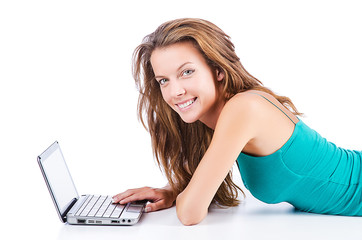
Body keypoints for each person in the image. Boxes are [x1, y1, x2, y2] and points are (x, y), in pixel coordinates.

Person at [112, 18, 362, 225]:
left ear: (218, 70)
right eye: (163, 80)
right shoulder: (218, 117)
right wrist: (171, 189)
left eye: (187, 72)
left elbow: (190, 214)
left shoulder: (243, 109)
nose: (175, 91)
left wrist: (183, 196)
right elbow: (197, 186)